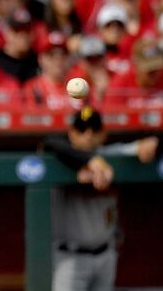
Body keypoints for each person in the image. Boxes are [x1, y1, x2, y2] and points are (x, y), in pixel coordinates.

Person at [43, 107, 160, 291]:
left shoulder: (112, 156)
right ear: (71, 134)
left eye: (94, 130)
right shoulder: (59, 158)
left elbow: (144, 146)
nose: (88, 135)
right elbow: (50, 143)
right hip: (70, 257)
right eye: (82, 130)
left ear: (103, 134)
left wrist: (154, 142)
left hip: (106, 254)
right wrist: (90, 161)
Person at [23, 32, 74, 109]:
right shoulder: (33, 88)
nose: (58, 59)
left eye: (63, 54)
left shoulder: (77, 83)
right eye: (51, 55)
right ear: (41, 59)